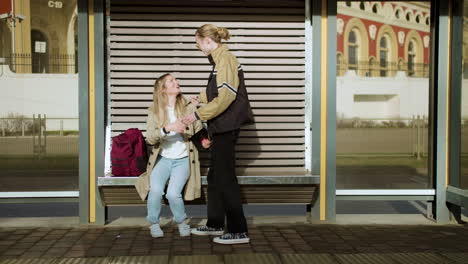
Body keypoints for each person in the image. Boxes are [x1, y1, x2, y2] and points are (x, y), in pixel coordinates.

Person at [182, 24, 254, 244]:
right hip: (220, 125)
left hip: (226, 125)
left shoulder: (225, 59)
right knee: (215, 176)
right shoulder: (218, 60)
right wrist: (199, 98)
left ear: (207, 40)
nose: (198, 47)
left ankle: (238, 230)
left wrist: (198, 115)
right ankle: (214, 223)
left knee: (225, 178)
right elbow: (216, 90)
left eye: (198, 43)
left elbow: (226, 97)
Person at [135, 73, 211, 238]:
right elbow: (150, 138)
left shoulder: (187, 106)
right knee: (155, 190)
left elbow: (198, 129)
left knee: (172, 193)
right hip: (162, 159)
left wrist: (204, 140)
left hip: (183, 159)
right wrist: (168, 128)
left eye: (176, 80)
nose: (177, 82)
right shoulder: (154, 111)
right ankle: (154, 224)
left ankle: (181, 222)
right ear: (163, 89)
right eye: (171, 81)